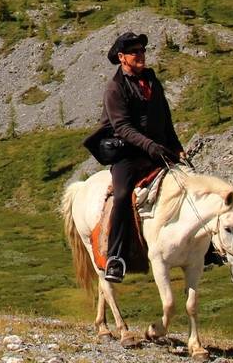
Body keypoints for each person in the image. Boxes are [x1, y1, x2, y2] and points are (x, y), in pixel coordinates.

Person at [98, 31, 185, 283]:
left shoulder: (151, 80)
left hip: (157, 150)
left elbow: (165, 118)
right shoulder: (115, 87)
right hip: (127, 155)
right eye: (134, 52)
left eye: (142, 51)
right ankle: (116, 257)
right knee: (123, 196)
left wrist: (176, 147)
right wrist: (150, 146)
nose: (141, 55)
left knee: (186, 182)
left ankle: (207, 249)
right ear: (122, 57)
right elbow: (123, 127)